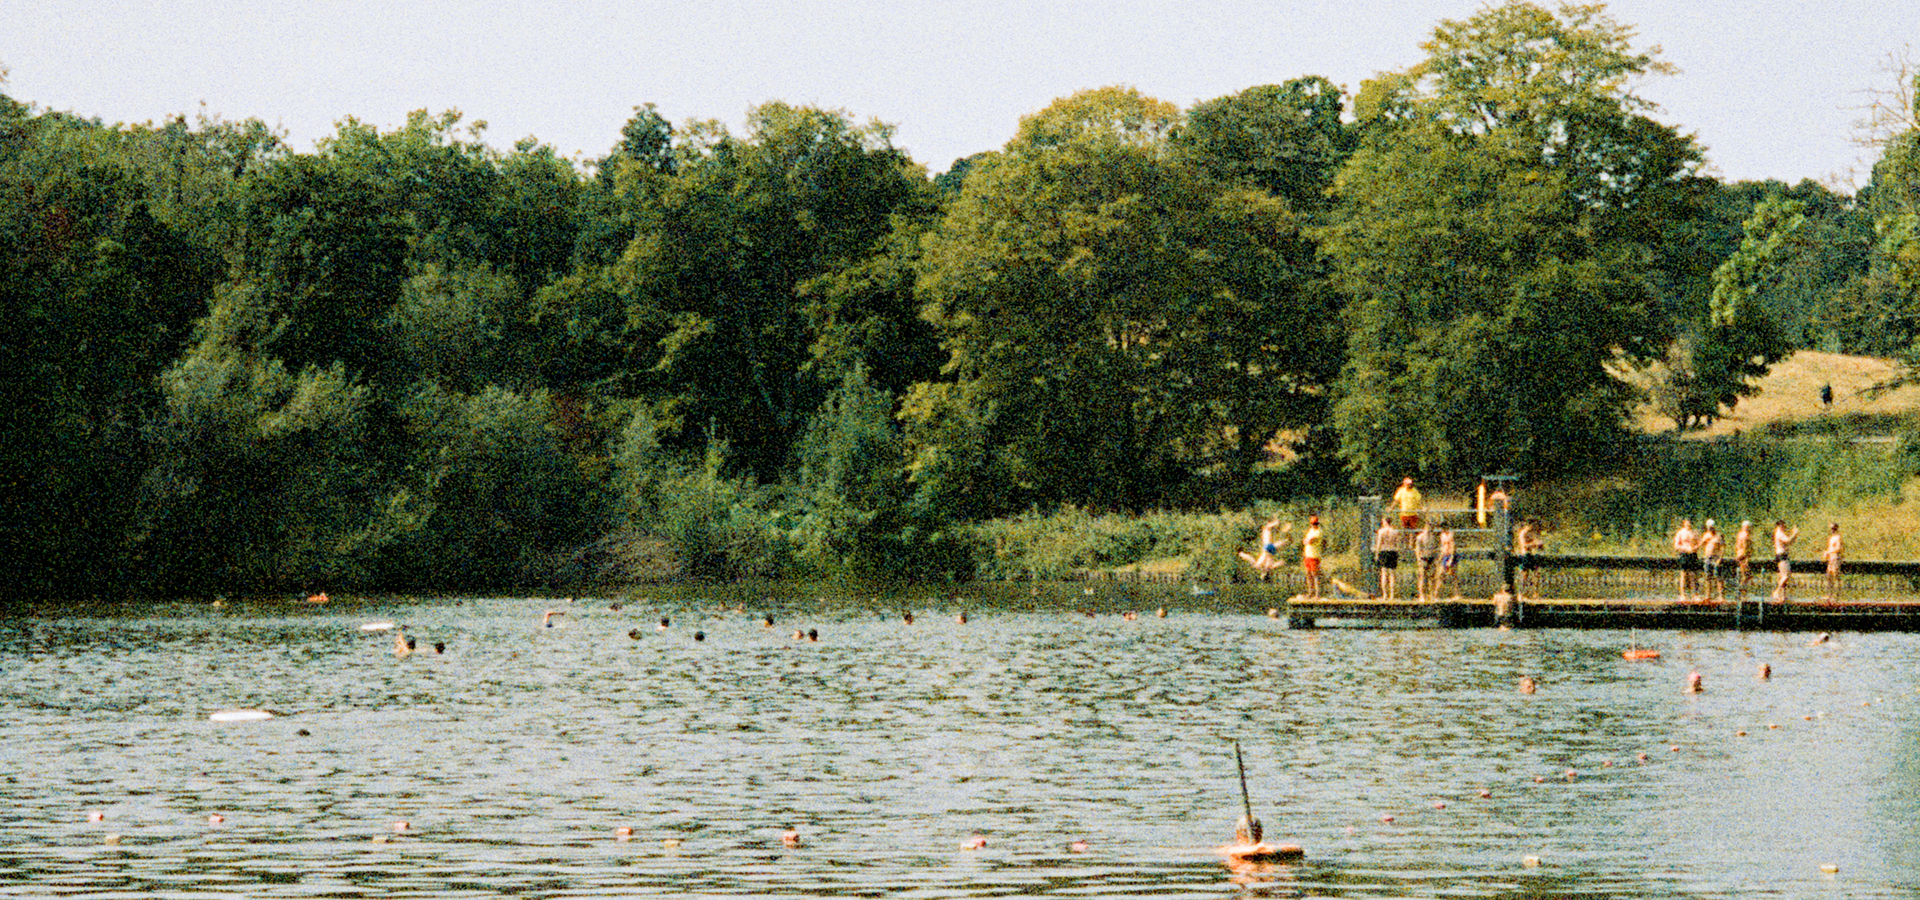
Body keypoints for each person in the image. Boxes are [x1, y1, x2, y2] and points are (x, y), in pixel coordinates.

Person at [1236, 517, 1288, 581]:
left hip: (1270, 551)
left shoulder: (1269, 567)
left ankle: (1285, 539)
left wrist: (1284, 562)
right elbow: (1250, 559)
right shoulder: (1258, 566)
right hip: (1266, 549)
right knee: (1266, 529)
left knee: (1277, 542)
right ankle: (1277, 523)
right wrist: (1242, 554)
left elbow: (1280, 562)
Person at [1772, 520, 1800, 603]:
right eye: (1784, 525)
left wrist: (1794, 535)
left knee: (1783, 576)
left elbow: (1789, 542)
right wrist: (1794, 533)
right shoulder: (1779, 533)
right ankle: (1776, 592)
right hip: (1782, 556)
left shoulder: (1779, 533)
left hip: (1782, 556)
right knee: (1785, 576)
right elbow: (1788, 540)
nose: (1785, 527)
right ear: (1780, 525)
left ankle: (1783, 596)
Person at [1671, 519, 1698, 603]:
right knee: (1683, 574)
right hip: (1684, 554)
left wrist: (1694, 548)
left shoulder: (1694, 532)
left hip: (1692, 554)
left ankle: (1694, 595)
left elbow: (1698, 543)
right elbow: (1676, 545)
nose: (1688, 524)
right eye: (1687, 523)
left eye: (1689, 523)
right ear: (1684, 523)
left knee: (1693, 574)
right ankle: (1683, 595)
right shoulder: (1680, 532)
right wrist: (1685, 548)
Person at [1374, 517, 1400, 600]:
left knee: (1384, 573)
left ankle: (1385, 594)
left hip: (1384, 551)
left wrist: (1377, 554)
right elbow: (1397, 543)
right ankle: (1392, 595)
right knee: (1392, 574)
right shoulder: (1395, 532)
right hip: (1392, 551)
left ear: (1385, 522)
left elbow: (1379, 543)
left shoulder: (1381, 532)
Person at [1698, 520, 1724, 603]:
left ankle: (1720, 596)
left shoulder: (1718, 536)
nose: (1710, 529)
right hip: (1708, 557)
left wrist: (1720, 558)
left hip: (1716, 557)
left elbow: (1722, 547)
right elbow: (1700, 544)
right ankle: (1708, 595)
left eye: (1711, 527)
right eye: (1709, 527)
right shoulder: (1706, 535)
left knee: (1718, 577)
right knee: (1708, 577)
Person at [1413, 521, 1438, 601]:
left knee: (1432, 577)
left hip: (1431, 557)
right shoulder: (1420, 537)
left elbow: (1435, 548)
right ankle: (1421, 595)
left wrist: (1436, 558)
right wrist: (1418, 559)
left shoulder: (1433, 537)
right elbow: (1417, 549)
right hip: (1423, 557)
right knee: (1422, 577)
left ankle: (1432, 595)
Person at [1301, 516, 1325, 599]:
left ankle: (1317, 594)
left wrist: (1307, 540)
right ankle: (1310, 593)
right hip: (1307, 555)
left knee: (1315, 575)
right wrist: (1306, 540)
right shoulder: (1310, 530)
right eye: (1312, 524)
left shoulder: (1318, 532)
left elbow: (1310, 541)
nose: (1313, 525)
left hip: (1314, 556)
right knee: (1308, 574)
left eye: (1314, 524)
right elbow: (1304, 541)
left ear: (1317, 524)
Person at [1822, 522, 1843, 602]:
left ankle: (1836, 595)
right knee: (1829, 575)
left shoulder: (1838, 538)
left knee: (1835, 575)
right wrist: (1827, 552)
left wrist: (1829, 551)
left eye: (1833, 528)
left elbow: (1838, 548)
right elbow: (1830, 548)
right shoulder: (1831, 538)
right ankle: (1829, 594)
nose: (1832, 530)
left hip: (1835, 557)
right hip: (1831, 558)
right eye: (1831, 528)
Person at [1733, 520, 1754, 597]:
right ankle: (1740, 592)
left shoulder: (1740, 534)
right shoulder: (1745, 535)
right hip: (1743, 556)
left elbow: (1737, 546)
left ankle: (1742, 593)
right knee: (1746, 576)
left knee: (1745, 575)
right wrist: (1745, 557)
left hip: (1739, 554)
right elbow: (1745, 547)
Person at [1438, 525, 1459, 599]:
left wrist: (1451, 559)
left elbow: (1453, 547)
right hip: (1445, 555)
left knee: (1453, 575)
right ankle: (1437, 593)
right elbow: (1442, 547)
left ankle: (1456, 594)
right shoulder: (1442, 535)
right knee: (1440, 574)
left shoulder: (1451, 535)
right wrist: (1440, 558)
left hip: (1450, 555)